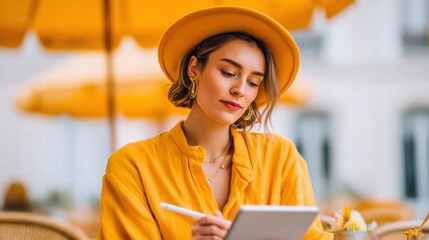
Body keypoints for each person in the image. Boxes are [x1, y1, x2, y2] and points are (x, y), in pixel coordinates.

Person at [98, 6, 333, 240]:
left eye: (253, 82)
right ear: (194, 69)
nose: (240, 90)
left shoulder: (281, 158)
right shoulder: (132, 167)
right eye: (229, 72)